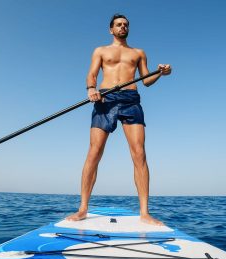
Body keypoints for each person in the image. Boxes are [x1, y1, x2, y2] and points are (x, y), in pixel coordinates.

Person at [66, 14, 171, 225]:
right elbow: (92, 75)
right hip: (106, 98)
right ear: (111, 29)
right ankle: (83, 209)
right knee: (94, 152)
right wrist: (91, 89)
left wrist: (160, 73)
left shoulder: (138, 52)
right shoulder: (101, 50)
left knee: (139, 153)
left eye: (126, 24)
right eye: (118, 24)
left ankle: (144, 213)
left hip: (131, 99)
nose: (123, 27)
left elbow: (146, 80)